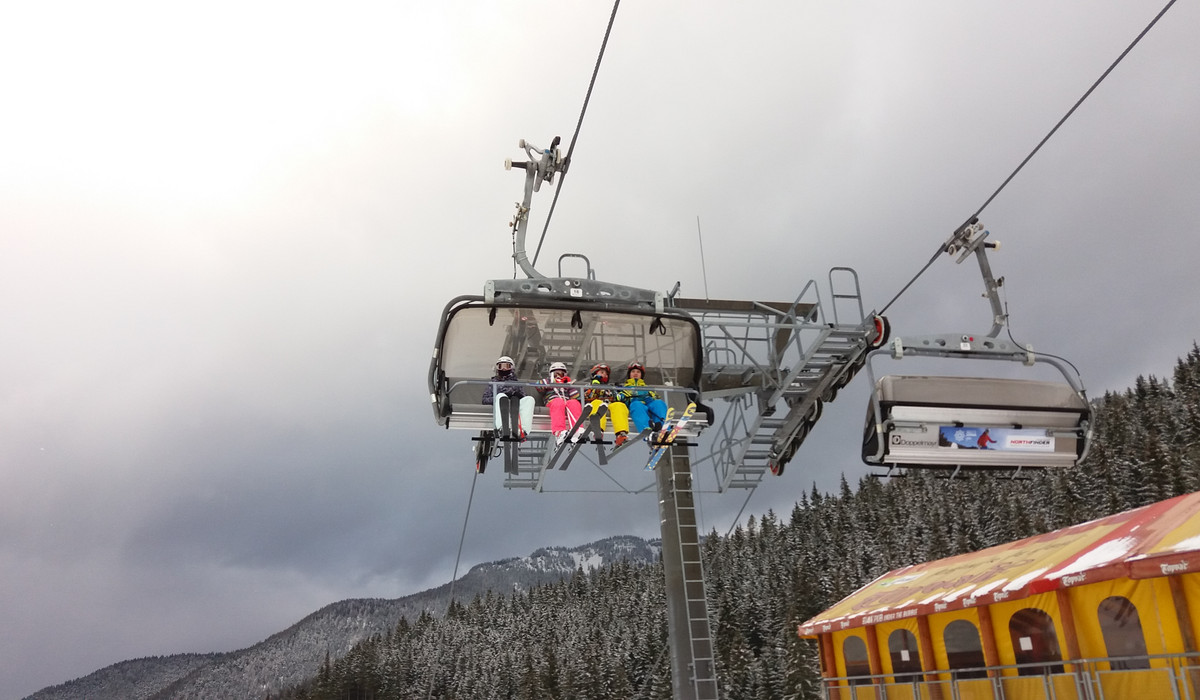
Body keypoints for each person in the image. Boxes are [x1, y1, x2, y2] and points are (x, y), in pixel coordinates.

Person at [481, 355, 534, 440]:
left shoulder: (516, 383)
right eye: (501, 366)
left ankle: (523, 430)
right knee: (501, 396)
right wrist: (501, 397)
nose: (503, 369)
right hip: (501, 405)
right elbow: (485, 400)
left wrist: (518, 395)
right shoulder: (493, 383)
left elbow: (524, 397)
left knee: (529, 399)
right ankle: (502, 428)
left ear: (511, 368)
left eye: (506, 366)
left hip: (514, 405)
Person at [584, 363, 631, 446]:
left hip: (609, 405)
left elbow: (618, 398)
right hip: (596, 405)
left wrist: (617, 391)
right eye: (602, 372)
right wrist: (595, 385)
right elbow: (586, 397)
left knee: (619, 405)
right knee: (597, 402)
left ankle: (621, 434)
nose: (604, 375)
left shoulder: (610, 387)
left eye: (606, 374)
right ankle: (598, 430)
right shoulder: (588, 386)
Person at [537, 361, 582, 446]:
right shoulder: (548, 382)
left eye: (560, 374)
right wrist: (551, 381)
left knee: (574, 403)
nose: (558, 375)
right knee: (559, 402)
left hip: (566, 402)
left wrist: (569, 386)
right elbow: (538, 386)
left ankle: (577, 430)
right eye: (556, 373)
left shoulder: (566, 384)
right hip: (553, 402)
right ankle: (559, 432)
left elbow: (576, 397)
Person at [619, 361, 668, 437]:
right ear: (629, 374)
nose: (635, 373)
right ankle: (646, 430)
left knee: (658, 403)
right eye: (633, 371)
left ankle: (663, 429)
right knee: (637, 405)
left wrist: (651, 397)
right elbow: (620, 398)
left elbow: (656, 397)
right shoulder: (625, 388)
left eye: (638, 372)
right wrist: (626, 397)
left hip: (648, 406)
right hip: (636, 407)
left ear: (641, 374)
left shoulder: (647, 388)